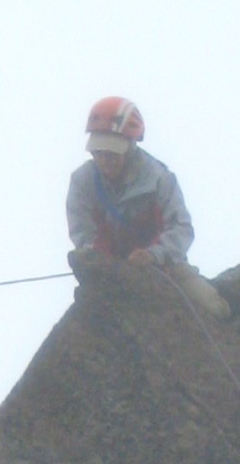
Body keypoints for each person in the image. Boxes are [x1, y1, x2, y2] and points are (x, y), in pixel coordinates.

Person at [66, 99, 227, 313]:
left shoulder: (160, 179)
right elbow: (83, 233)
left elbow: (181, 228)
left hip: (166, 268)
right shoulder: (82, 181)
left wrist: (154, 255)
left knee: (213, 308)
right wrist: (106, 263)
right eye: (98, 151)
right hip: (108, 272)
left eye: (112, 152)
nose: (104, 159)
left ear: (131, 146)